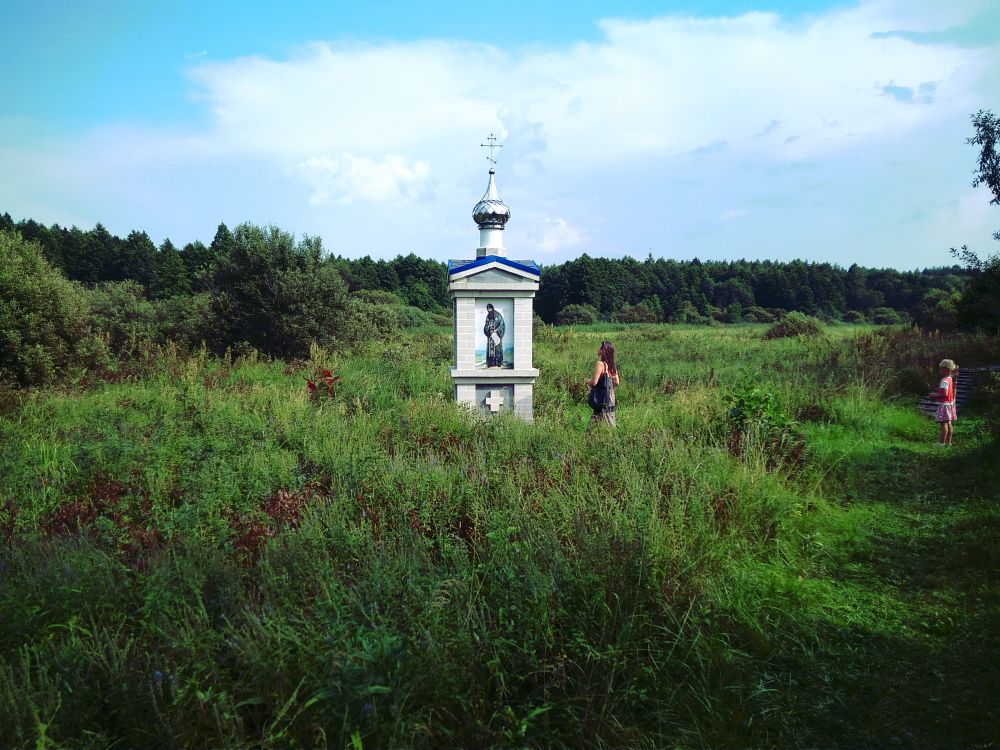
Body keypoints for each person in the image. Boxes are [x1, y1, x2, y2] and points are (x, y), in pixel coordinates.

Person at [588, 340, 621, 426]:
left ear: (603, 351)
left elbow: (594, 382)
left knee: (595, 423)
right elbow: (617, 382)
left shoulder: (600, 364)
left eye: (600, 347)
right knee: (610, 418)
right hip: (611, 397)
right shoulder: (612, 365)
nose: (598, 349)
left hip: (602, 397)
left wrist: (587, 381)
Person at [932, 358, 958, 446]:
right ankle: (948, 442)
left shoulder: (944, 380)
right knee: (949, 423)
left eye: (941, 369)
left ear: (946, 369)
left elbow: (945, 394)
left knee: (943, 424)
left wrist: (934, 396)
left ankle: (942, 443)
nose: (940, 371)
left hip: (944, 404)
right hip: (950, 404)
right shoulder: (950, 378)